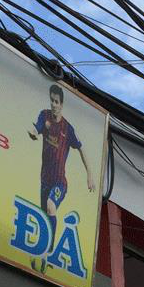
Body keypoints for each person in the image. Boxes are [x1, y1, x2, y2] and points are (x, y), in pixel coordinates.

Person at [27, 83, 95, 250]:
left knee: (51, 205)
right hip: (45, 180)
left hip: (59, 182)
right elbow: (36, 128)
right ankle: (43, 249)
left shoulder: (68, 129)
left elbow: (82, 149)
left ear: (62, 104)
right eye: (52, 100)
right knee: (44, 217)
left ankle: (49, 248)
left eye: (56, 102)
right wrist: (33, 133)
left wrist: (89, 175)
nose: (53, 104)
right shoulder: (44, 115)